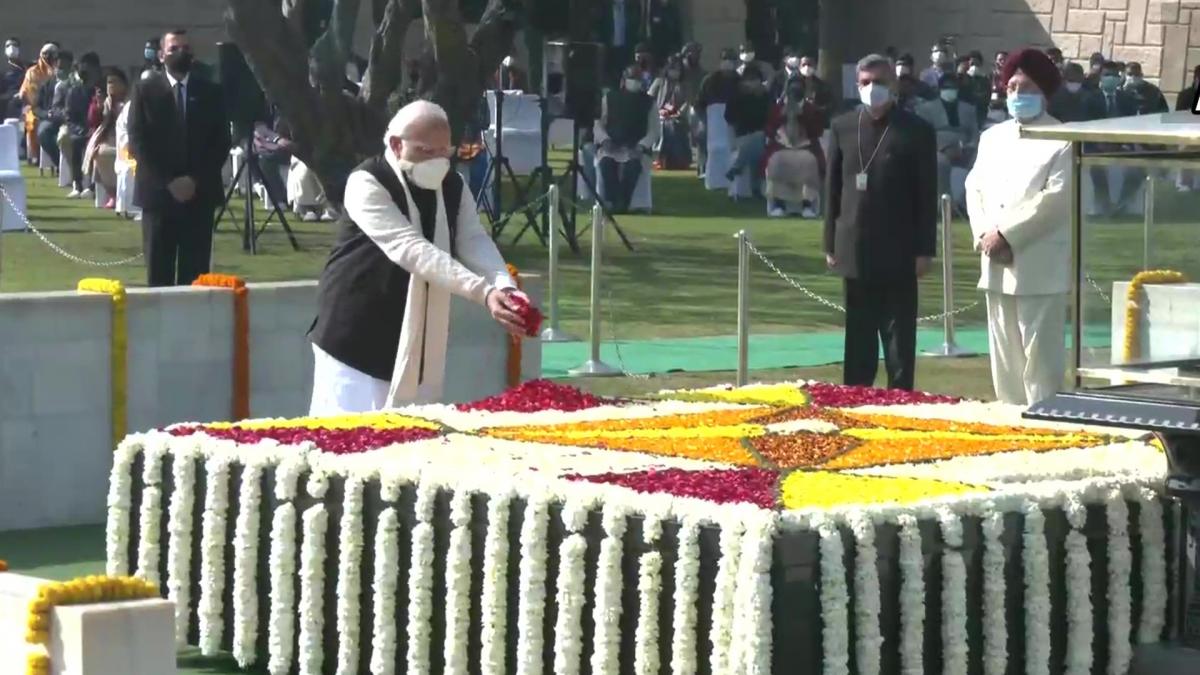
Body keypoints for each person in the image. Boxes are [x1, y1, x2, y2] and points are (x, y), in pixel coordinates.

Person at [307, 100, 528, 413]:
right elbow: (411, 249)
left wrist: (504, 287)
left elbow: (472, 239)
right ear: (397, 145)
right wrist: (483, 292)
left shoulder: (453, 185)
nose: (438, 161)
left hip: (417, 337)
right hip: (355, 332)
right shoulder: (367, 181)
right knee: (348, 439)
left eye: (445, 152)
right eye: (427, 151)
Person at [824, 54, 937, 391]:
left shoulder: (916, 130)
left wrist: (924, 249)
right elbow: (832, 189)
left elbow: (926, 194)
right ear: (857, 85)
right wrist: (830, 242)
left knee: (899, 333)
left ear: (894, 85)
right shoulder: (842, 126)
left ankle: (900, 398)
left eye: (880, 82)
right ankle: (856, 396)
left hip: (900, 246)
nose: (873, 89)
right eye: (865, 82)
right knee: (858, 331)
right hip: (853, 243)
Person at [965, 48, 1071, 406]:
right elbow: (973, 188)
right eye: (1011, 87)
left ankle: (1048, 423)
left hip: (1038, 265)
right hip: (994, 263)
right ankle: (1011, 424)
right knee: (1005, 357)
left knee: (1040, 359)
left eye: (1025, 88)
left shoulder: (1064, 139)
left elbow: (1054, 201)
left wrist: (1007, 235)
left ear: (1042, 92)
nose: (1016, 95)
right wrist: (984, 235)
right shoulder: (991, 138)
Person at [128, 29, 232, 287]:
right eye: (174, 48)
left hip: (199, 196)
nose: (180, 53)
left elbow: (220, 142)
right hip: (159, 195)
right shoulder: (144, 91)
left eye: (185, 48)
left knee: (195, 277)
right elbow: (138, 141)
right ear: (162, 55)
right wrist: (169, 181)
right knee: (159, 275)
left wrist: (194, 180)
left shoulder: (211, 92)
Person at [594, 67, 657, 214]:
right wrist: (605, 140)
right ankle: (611, 201)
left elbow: (654, 130)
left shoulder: (649, 103)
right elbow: (598, 124)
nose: (634, 82)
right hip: (611, 146)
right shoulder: (609, 98)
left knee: (633, 166)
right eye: (632, 78)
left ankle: (623, 202)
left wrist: (641, 146)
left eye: (637, 79)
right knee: (606, 164)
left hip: (635, 148)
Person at [915, 72, 979, 206]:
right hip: (939, 150)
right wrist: (944, 148)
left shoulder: (968, 109)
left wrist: (970, 147)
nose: (950, 90)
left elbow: (974, 132)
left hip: (966, 148)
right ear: (939, 89)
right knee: (940, 163)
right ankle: (945, 205)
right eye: (946, 87)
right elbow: (923, 134)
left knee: (981, 161)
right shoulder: (925, 109)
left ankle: (972, 205)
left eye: (953, 87)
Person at [764, 78, 823, 218]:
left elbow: (817, 131)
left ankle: (807, 204)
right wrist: (782, 120)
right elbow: (769, 129)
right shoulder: (777, 109)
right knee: (777, 162)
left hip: (805, 147)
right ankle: (779, 204)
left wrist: (802, 116)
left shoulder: (811, 109)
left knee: (808, 162)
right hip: (781, 146)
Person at [1090, 60, 1138, 216]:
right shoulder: (1089, 99)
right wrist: (1099, 144)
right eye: (1106, 75)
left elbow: (1132, 125)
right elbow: (1085, 126)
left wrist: (1123, 143)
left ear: (1119, 78)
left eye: (1114, 75)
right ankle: (1104, 205)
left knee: (1138, 168)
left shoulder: (1127, 99)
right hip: (1096, 148)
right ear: (1100, 78)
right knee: (1096, 169)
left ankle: (1123, 204)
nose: (1110, 78)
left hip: (1122, 146)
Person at [59, 52, 103, 198]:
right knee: (75, 142)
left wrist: (95, 130)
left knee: (96, 145)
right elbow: (69, 117)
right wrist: (81, 130)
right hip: (80, 130)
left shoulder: (101, 90)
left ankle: (91, 186)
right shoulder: (74, 91)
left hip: (99, 130)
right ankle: (77, 185)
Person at [724, 64, 771, 197]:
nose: (751, 83)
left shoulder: (765, 97)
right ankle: (755, 188)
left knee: (757, 138)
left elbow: (770, 118)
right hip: (741, 136)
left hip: (764, 138)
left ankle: (737, 167)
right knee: (753, 145)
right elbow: (730, 119)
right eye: (748, 79)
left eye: (754, 79)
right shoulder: (736, 98)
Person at [84, 68, 129, 205]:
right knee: (99, 152)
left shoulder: (130, 101)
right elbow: (93, 122)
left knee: (108, 153)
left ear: (123, 85)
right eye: (109, 82)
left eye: (115, 82)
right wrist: (98, 106)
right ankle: (112, 193)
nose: (111, 85)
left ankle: (118, 193)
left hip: (126, 139)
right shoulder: (105, 102)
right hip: (108, 138)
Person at [648, 55, 691, 169]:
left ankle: (678, 160)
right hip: (659, 116)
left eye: (677, 69)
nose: (675, 71)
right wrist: (659, 111)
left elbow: (687, 102)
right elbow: (649, 98)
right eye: (673, 68)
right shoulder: (659, 82)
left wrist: (679, 113)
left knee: (674, 126)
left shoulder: (684, 85)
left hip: (678, 117)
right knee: (663, 126)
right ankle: (659, 158)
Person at [19, 43, 58, 165]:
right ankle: (34, 156)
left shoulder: (58, 71)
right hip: (33, 106)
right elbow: (29, 94)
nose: (47, 57)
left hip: (53, 107)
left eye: (50, 55)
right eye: (45, 54)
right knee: (32, 121)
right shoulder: (32, 72)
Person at [33, 50, 71, 173]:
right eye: (59, 66)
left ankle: (70, 165)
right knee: (43, 132)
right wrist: (46, 114)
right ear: (54, 65)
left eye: (65, 67)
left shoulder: (75, 84)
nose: (61, 70)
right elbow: (36, 107)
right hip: (51, 119)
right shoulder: (47, 84)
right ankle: (59, 163)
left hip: (70, 119)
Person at [600, 0, 642, 84]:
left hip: (625, 47)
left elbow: (635, 27)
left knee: (623, 75)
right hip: (609, 48)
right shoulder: (605, 7)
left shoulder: (631, 7)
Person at [647, 0, 683, 64]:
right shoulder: (653, 8)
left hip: (671, 47)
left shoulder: (673, 9)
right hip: (657, 48)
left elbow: (677, 30)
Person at [1, 38, 25, 120]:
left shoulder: (26, 68)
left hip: (22, 106)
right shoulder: (2, 70)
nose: (11, 48)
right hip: (4, 108)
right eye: (8, 46)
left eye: (14, 45)